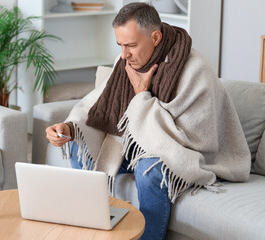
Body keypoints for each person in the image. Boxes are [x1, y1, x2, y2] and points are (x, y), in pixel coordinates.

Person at [46, 2, 250, 240]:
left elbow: (186, 139)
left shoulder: (195, 69)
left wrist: (142, 95)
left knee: (149, 170)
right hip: (136, 147)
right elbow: (98, 101)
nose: (124, 54)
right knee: (78, 144)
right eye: (120, 45)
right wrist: (69, 127)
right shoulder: (127, 61)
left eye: (131, 45)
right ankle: (94, 227)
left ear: (155, 37)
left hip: (181, 152)